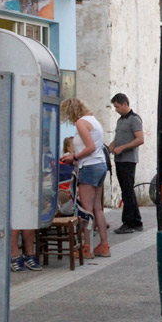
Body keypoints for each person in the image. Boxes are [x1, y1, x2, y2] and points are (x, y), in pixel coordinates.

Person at [60, 97, 110, 258]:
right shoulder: (94, 121)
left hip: (89, 166)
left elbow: (90, 147)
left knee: (86, 208)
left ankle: (86, 247)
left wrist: (74, 157)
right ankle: (104, 244)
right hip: (100, 164)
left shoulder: (81, 123)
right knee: (97, 208)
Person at [109, 92, 144, 233]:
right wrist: (110, 148)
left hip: (128, 160)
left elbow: (140, 139)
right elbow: (118, 138)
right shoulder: (120, 120)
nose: (116, 109)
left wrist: (122, 148)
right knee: (127, 191)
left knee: (127, 192)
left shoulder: (134, 119)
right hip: (119, 159)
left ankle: (128, 223)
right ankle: (137, 222)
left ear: (125, 104)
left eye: (117, 106)